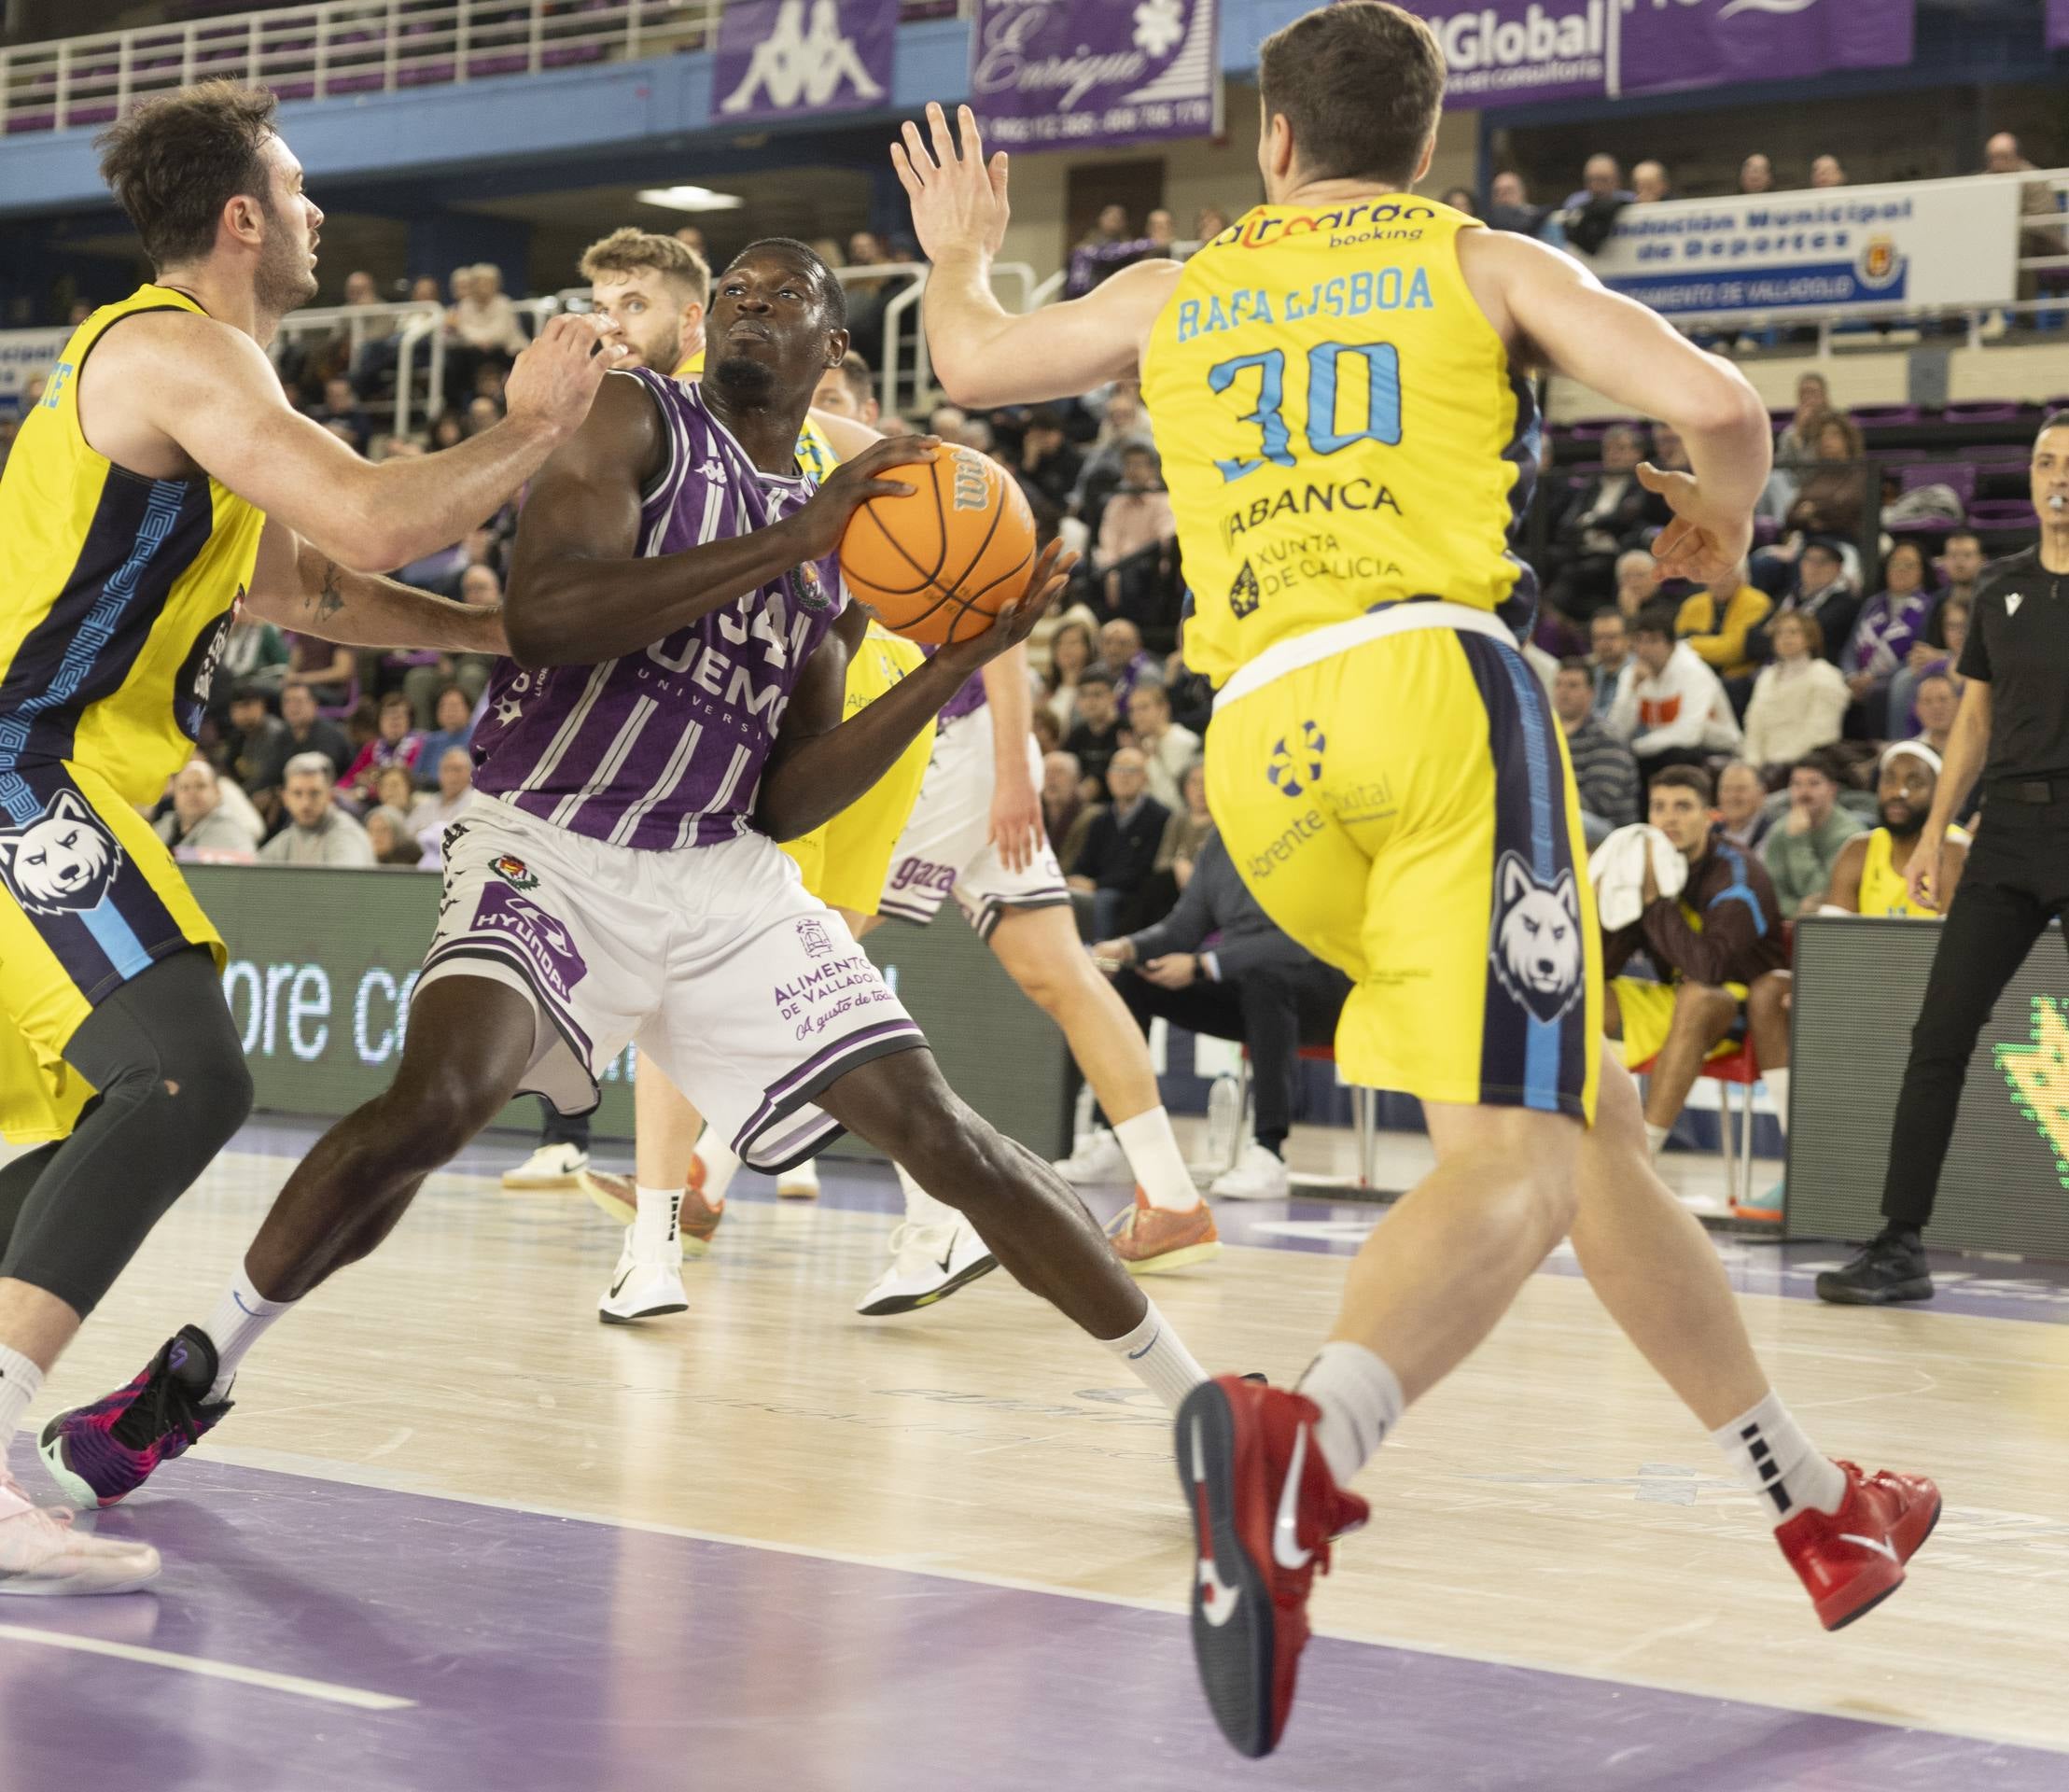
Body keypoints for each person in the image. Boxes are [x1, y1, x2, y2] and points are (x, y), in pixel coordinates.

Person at [895, 10, 1936, 1754]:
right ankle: (1309, 1444)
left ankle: (1812, 1501)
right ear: (1422, 145)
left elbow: (976, 368)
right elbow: (1720, 406)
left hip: (1264, 757)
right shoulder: (1473, 255)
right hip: (1437, 697)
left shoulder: (1179, 281)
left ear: (1275, 147)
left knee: (1584, 1123)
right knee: (1519, 1161)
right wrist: (1725, 526)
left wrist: (960, 261)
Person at [44, 238, 1213, 1530]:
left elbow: (785, 793)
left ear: (837, 351)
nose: (752, 311)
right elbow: (548, 614)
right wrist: (794, 542)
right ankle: (191, 1376)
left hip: (720, 868)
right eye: (738, 298)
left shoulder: (847, 541)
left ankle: (1204, 1413)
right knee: (437, 1104)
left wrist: (951, 666)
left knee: (948, 1137)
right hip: (550, 834)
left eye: (788, 301)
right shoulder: (632, 415)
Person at [0, 80, 613, 1595]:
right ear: (240, 218)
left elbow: (308, 592)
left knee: (105, 1117)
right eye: (298, 185)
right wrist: (534, 431)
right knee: (181, 1069)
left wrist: (490, 634)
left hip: (60, 776)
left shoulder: (213, 388)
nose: (321, 212)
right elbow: (370, 522)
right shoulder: (173, 350)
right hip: (19, 762)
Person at [1820, 414, 2069, 1306]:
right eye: (2044, 462)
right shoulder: (2000, 587)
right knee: (1937, 1038)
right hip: (2003, 836)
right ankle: (1898, 1245)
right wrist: (1935, 833)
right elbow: (1971, 719)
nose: (2056, 478)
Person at [1093, 829, 1351, 1200]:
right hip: (1241, 985)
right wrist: (1127, 947)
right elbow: (1183, 927)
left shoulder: (1311, 836)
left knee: (1266, 982)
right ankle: (1118, 1136)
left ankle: (1269, 1151)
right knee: (1133, 982)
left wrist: (1203, 965)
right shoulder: (1220, 844)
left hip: (1322, 990)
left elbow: (1303, 938)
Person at [1603, 766, 1791, 1157]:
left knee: (1698, 997)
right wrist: (1610, 899)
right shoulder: (1649, 864)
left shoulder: (1738, 873)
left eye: (1683, 807)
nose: (1669, 818)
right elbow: (1604, 965)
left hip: (1740, 1007)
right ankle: (1572, 1147)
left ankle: (1642, 1154)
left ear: (1710, 815)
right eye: (1659, 807)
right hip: (1675, 998)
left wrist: (1655, 902)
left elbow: (1711, 970)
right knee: (1578, 994)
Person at [1825, 745, 1969, 918]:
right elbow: (1833, 937)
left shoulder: (1954, 851)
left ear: (1939, 792)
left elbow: (1956, 941)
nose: (1898, 792)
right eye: (1889, 780)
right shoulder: (1857, 851)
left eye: (1915, 783)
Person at [1606, 603, 1743, 780]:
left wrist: (1637, 747)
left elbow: (1688, 735)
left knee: (1674, 756)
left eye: (1653, 641)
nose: (1644, 649)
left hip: (1717, 750)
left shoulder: (1694, 671)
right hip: (1662, 749)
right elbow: (1617, 733)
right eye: (1639, 640)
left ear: (1671, 645)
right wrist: (1632, 691)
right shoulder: (1632, 673)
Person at [1066, 747, 1169, 942]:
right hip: (1098, 888)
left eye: (1132, 771)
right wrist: (1076, 878)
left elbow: (1145, 870)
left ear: (1145, 778)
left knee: (1104, 899)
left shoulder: (1159, 817)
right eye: (1118, 770)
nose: (1124, 777)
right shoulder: (1101, 819)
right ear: (1108, 777)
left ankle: (1106, 964)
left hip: (1133, 895)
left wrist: (1096, 884)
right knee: (1064, 895)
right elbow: (1084, 861)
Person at [1841, 539, 1935, 737]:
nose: (1901, 570)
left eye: (1909, 565)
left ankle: (1888, 748)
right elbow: (1850, 648)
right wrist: (1851, 677)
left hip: (1896, 675)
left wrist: (1874, 677)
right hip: (1860, 676)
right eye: (1895, 564)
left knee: (1879, 691)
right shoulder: (1872, 605)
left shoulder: (1928, 607)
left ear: (1922, 571)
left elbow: (1918, 654)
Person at [1740, 611, 1850, 777]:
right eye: (1780, 633)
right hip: (1764, 767)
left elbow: (1822, 732)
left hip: (1805, 766)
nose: (1786, 638)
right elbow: (1753, 725)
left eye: (1793, 632)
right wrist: (1753, 764)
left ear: (1810, 638)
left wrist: (1783, 763)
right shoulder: (1766, 677)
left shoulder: (1825, 675)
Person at [1763, 750, 1866, 916]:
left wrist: (1798, 842)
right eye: (1796, 784)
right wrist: (1797, 909)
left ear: (1832, 789)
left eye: (1813, 783)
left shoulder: (1850, 836)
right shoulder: (1779, 831)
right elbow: (1768, 894)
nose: (1804, 792)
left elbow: (1825, 895)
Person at [1553, 658, 1640, 847]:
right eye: (1558, 684)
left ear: (1591, 693)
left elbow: (1599, 801)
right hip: (1561, 811)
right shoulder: (1545, 733)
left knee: (1565, 822)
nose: (1563, 692)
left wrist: (1547, 804)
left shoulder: (1606, 737)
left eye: (1573, 685)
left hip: (1612, 831)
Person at [257, 753, 376, 865]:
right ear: (286, 798)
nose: (306, 803)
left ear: (330, 796)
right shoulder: (287, 839)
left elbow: (344, 885)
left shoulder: (347, 836)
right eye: (297, 793)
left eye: (314, 793)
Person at [1674, 562, 1771, 683]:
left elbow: (1734, 650)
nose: (1720, 580)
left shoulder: (1756, 602)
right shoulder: (1693, 604)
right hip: (1693, 673)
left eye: (1727, 574)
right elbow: (1675, 647)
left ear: (1741, 578)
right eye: (1714, 574)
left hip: (1736, 678)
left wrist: (1690, 642)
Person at [155, 758, 261, 858]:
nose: (192, 793)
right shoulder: (164, 825)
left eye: (200, 786)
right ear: (175, 795)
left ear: (217, 792)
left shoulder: (232, 831)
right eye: (184, 788)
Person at [1126, 678, 1200, 810]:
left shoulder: (1184, 742)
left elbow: (1177, 802)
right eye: (1132, 710)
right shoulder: (1145, 743)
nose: (1136, 716)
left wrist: (1151, 760)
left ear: (1164, 708)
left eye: (1143, 708)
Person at [1061, 665, 1125, 796]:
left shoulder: (1126, 730)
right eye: (1084, 695)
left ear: (1113, 697)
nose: (1090, 701)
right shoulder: (1077, 735)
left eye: (1097, 694)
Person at [1714, 760, 1772, 852]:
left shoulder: (1773, 836)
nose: (1732, 796)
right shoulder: (1710, 834)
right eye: (1726, 789)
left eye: (1741, 789)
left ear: (1762, 794)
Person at [1587, 607, 1632, 717]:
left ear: (1628, 639)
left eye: (1611, 637)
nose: (1604, 643)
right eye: (1598, 638)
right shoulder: (1589, 674)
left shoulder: (1639, 674)